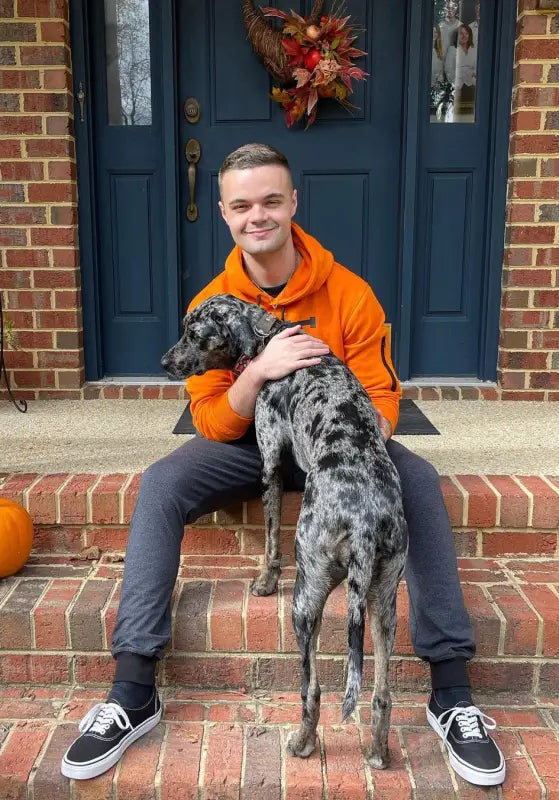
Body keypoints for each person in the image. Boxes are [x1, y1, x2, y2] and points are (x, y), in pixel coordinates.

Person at [60, 143, 505, 787]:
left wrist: (336, 431)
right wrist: (261, 371)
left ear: (293, 203)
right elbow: (212, 419)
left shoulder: (348, 293)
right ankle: (133, 689)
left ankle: (452, 692)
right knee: (160, 484)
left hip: (340, 448)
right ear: (223, 213)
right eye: (242, 205)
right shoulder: (215, 301)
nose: (257, 216)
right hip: (252, 448)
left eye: (271, 200)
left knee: (420, 482)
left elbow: (383, 406)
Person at [445, 23, 477, 118]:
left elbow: (477, 67)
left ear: (470, 35)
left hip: (472, 84)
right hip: (457, 85)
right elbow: (448, 69)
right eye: (461, 33)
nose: (464, 36)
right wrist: (454, 82)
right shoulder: (452, 50)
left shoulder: (474, 50)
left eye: (466, 33)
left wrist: (474, 76)